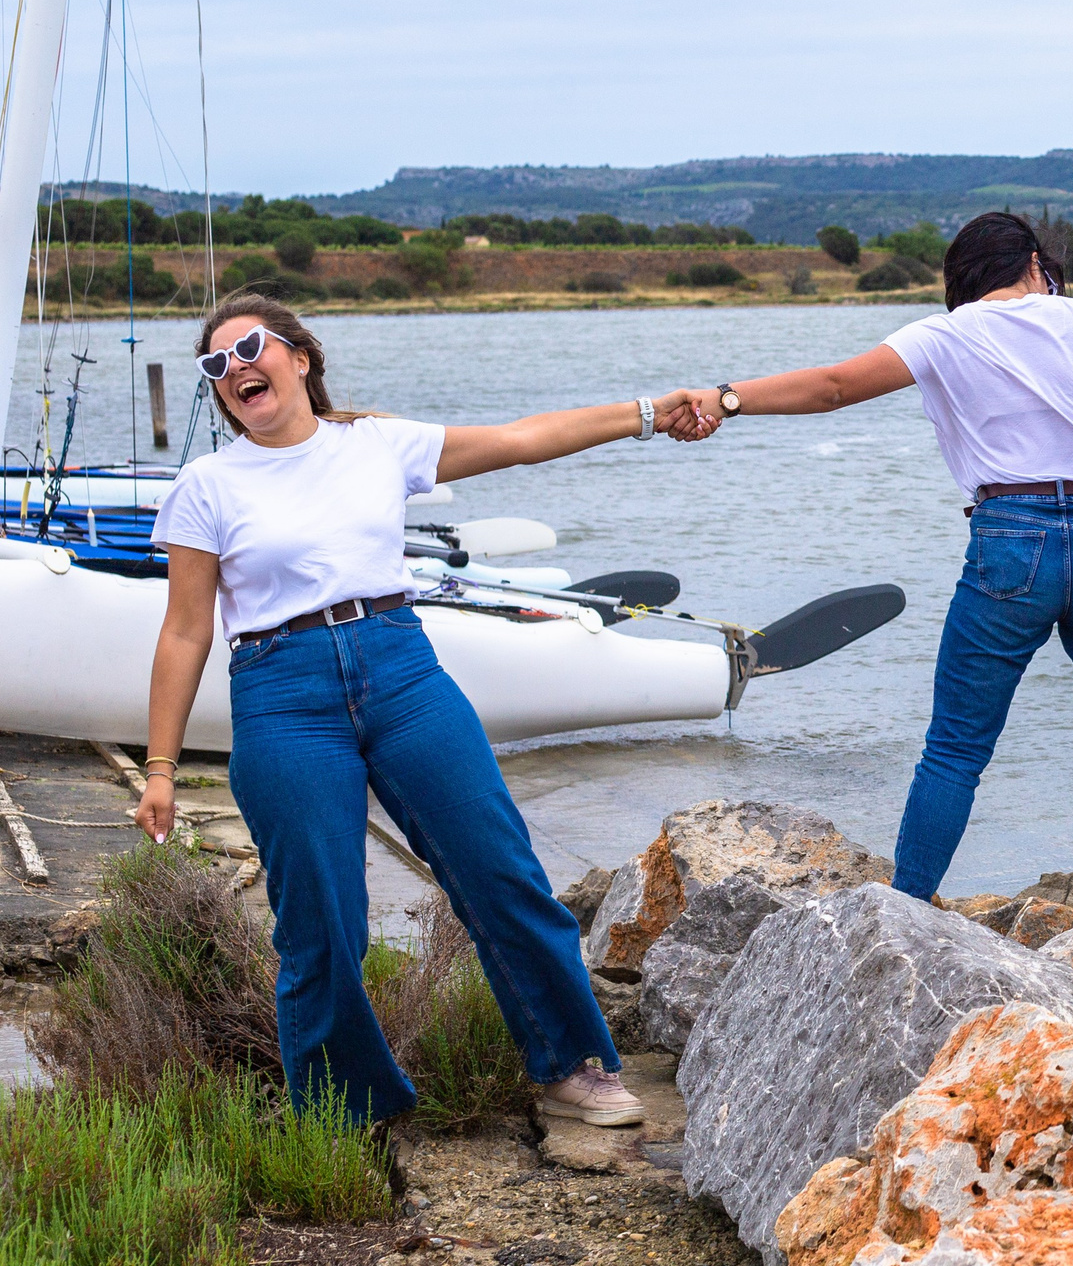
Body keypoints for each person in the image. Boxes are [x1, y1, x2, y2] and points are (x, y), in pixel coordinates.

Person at [143, 294, 714, 1126]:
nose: (235, 368)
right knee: (321, 921)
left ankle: (569, 1067)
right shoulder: (206, 485)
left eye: (251, 347)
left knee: (499, 869)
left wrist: (646, 414)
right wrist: (160, 769)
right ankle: (345, 1114)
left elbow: (522, 438)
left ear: (300, 357)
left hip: (401, 671)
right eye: (216, 364)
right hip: (280, 694)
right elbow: (185, 630)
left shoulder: (376, 443)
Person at [665, 211, 1073, 922]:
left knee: (956, 750)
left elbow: (833, 386)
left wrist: (726, 399)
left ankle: (901, 917)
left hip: (1011, 535)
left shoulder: (945, 334)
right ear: (1033, 263)